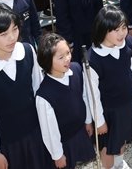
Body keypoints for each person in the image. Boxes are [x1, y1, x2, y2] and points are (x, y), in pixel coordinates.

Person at [0, 3, 53, 169]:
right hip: (6, 144)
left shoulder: (28, 51)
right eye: (3, 33)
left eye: (15, 29)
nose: (12, 38)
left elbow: (39, 92)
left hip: (35, 134)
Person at [86, 6, 132, 169]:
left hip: (126, 103)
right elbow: (92, 94)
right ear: (102, 30)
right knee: (108, 147)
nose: (122, 33)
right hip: (107, 111)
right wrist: (99, 120)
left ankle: (119, 164)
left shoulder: (128, 44)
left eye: (124, 28)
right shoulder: (93, 59)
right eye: (115, 30)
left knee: (122, 138)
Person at [35, 33, 96, 169]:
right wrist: (57, 155)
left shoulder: (75, 69)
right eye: (61, 57)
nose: (67, 59)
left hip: (80, 132)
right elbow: (49, 130)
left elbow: (84, 97)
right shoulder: (44, 95)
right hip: (63, 143)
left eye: (68, 53)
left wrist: (87, 121)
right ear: (47, 61)